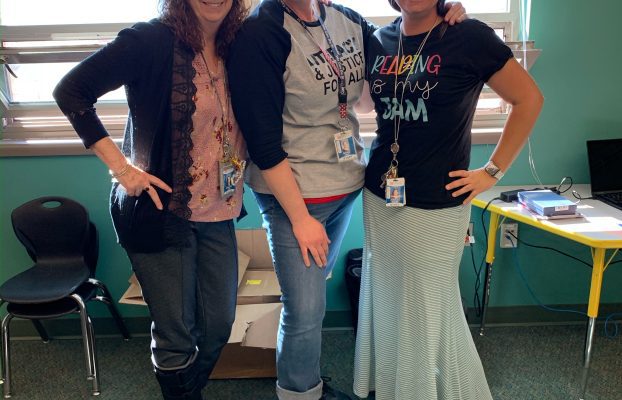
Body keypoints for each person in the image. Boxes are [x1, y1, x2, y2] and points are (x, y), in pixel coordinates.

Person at [227, 1, 466, 399]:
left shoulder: (346, 19)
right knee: (304, 310)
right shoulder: (261, 32)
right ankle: (301, 392)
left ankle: (310, 380)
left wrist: (447, 13)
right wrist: (301, 219)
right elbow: (263, 143)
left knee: (313, 293)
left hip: (343, 185)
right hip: (295, 198)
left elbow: (401, 45)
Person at [53, 0, 248, 398]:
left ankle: (186, 389)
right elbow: (71, 91)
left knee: (217, 326)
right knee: (176, 335)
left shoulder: (238, 44)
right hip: (159, 212)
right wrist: (123, 170)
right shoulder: (150, 40)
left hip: (219, 210)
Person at [352, 0, 544, 399]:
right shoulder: (379, 39)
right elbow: (363, 102)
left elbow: (529, 99)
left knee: (429, 308)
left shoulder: (468, 36)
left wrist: (492, 171)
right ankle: (399, 388)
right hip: (380, 194)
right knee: (389, 299)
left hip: (438, 200)